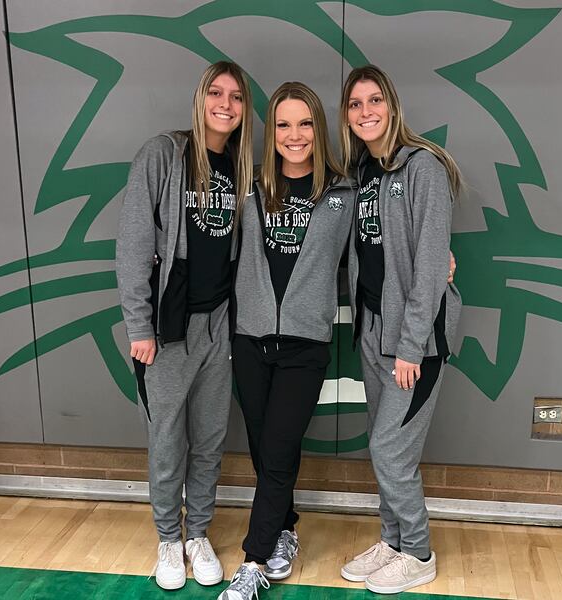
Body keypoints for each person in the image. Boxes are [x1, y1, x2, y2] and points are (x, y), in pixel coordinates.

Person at [115, 61, 254, 591]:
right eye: (216, 93)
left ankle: (198, 533)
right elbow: (132, 246)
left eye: (236, 97)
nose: (225, 104)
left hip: (219, 324)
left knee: (211, 438)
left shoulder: (240, 166)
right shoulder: (163, 154)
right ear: (200, 99)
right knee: (168, 439)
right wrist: (140, 327)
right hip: (168, 327)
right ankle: (169, 539)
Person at [218, 82, 356, 600]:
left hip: (305, 345)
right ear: (270, 131)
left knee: (277, 449)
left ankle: (252, 563)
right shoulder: (249, 189)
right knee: (264, 450)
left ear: (318, 129)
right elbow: (218, 249)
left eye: (304, 124)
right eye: (282, 124)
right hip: (250, 341)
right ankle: (285, 527)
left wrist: (436, 264)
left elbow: (371, 255)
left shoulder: (343, 195)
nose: (293, 135)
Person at [338, 64, 463, 595]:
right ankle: (391, 541)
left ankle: (418, 551)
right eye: (355, 104)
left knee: (391, 450)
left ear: (392, 105)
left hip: (417, 340)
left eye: (374, 100)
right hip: (373, 328)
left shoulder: (423, 167)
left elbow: (432, 265)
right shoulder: (363, 171)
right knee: (384, 445)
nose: (366, 111)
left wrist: (411, 345)